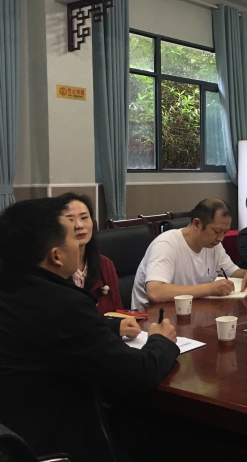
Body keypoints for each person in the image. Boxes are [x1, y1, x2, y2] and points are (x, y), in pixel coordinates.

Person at [0, 198, 179, 462]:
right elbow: (138, 373)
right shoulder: (63, 304)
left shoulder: (13, 287)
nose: (80, 243)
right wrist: (161, 341)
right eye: (73, 237)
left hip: (15, 434)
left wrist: (111, 325)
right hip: (58, 445)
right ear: (56, 255)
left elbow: (42, 332)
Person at [132, 198, 247, 308]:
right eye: (217, 231)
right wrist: (209, 288)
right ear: (197, 224)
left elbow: (232, 271)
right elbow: (155, 292)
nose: (221, 238)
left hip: (193, 310)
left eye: (225, 232)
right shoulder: (166, 244)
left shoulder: (213, 245)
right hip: (152, 318)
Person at [58, 192, 123, 314]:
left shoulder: (105, 264)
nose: (79, 225)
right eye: (70, 220)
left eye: (84, 218)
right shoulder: (53, 269)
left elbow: (118, 313)